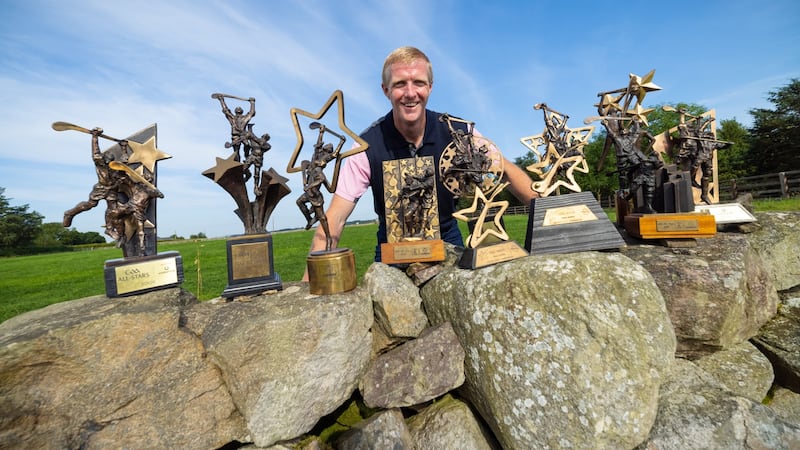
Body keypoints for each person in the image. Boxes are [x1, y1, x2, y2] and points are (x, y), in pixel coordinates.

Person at [305, 46, 537, 273]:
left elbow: (503, 170)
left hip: (448, 243)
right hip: (393, 254)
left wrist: (548, 219)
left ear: (430, 87)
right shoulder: (365, 147)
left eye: (418, 82)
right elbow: (335, 219)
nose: (410, 93)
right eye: (399, 84)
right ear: (385, 90)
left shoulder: (459, 132)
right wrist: (308, 288)